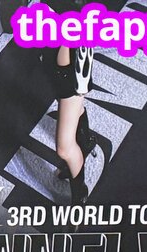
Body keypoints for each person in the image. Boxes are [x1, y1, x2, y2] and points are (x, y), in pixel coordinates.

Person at [43, 45, 94, 200]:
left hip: (71, 68)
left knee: (64, 149)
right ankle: (86, 142)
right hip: (52, 54)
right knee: (72, 108)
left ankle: (80, 194)